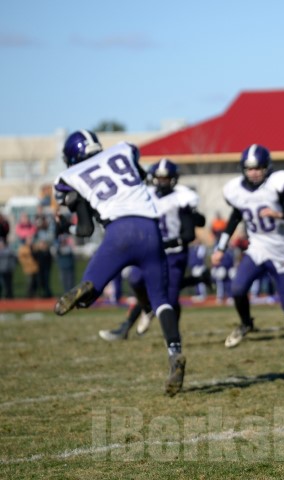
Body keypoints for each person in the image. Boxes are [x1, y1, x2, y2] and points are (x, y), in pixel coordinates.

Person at [52, 130, 186, 396]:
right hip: (150, 229)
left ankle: (88, 288)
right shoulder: (123, 149)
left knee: (89, 291)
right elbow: (140, 174)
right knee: (160, 300)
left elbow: (86, 229)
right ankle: (175, 352)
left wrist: (66, 226)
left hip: (118, 232)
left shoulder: (69, 177)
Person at [211, 144, 284, 358]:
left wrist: (279, 214)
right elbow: (235, 218)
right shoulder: (236, 190)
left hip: (281, 250)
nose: (254, 173)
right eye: (250, 168)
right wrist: (220, 248)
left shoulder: (277, 185)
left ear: (267, 167)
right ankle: (246, 323)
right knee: (237, 289)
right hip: (257, 247)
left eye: (258, 168)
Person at [98, 158, 205, 341]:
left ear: (173, 179)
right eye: (159, 177)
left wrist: (171, 241)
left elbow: (189, 233)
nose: (162, 181)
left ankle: (172, 338)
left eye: (166, 178)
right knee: (136, 279)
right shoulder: (145, 195)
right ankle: (145, 308)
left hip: (175, 254)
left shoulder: (182, 197)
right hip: (151, 252)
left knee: (169, 299)